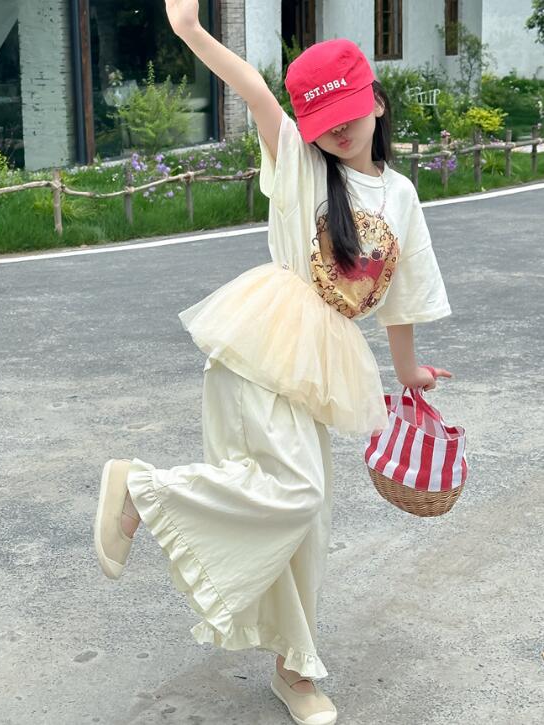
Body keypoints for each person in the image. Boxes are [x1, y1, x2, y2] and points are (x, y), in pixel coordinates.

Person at [94, 2, 453, 724]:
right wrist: (192, 32)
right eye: (324, 119)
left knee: (308, 525)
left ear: (378, 102)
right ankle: (143, 489)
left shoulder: (402, 195)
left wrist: (408, 371)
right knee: (296, 493)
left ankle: (296, 670)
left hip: (323, 366)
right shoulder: (300, 164)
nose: (339, 129)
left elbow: (403, 295)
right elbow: (256, 92)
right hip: (264, 347)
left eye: (349, 112)